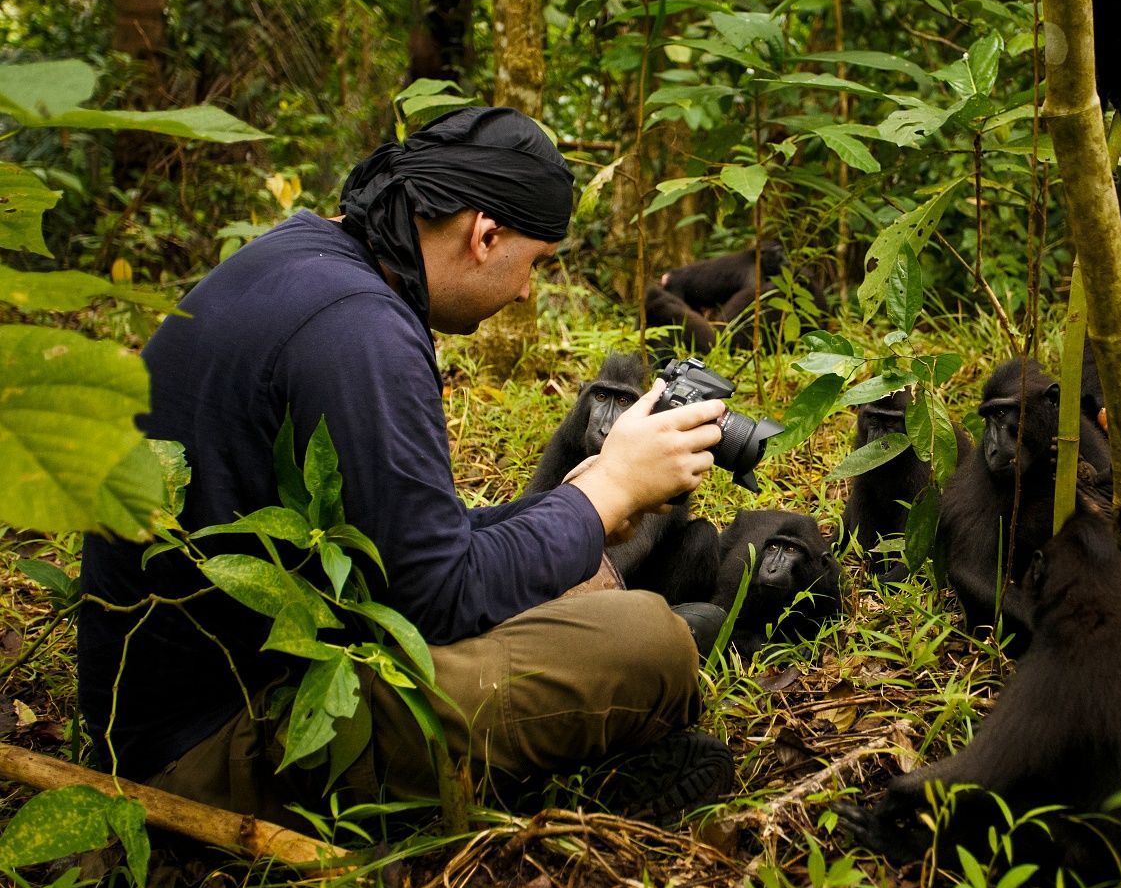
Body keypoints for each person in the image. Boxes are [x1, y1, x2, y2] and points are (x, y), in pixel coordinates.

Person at [79, 106, 735, 824]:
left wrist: (577, 504)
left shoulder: (309, 258)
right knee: (652, 643)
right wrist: (607, 489)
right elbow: (435, 593)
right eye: (535, 265)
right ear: (484, 235)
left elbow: (400, 543)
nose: (525, 292)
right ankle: (568, 768)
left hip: (206, 685)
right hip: (211, 747)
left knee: (586, 587)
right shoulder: (361, 330)